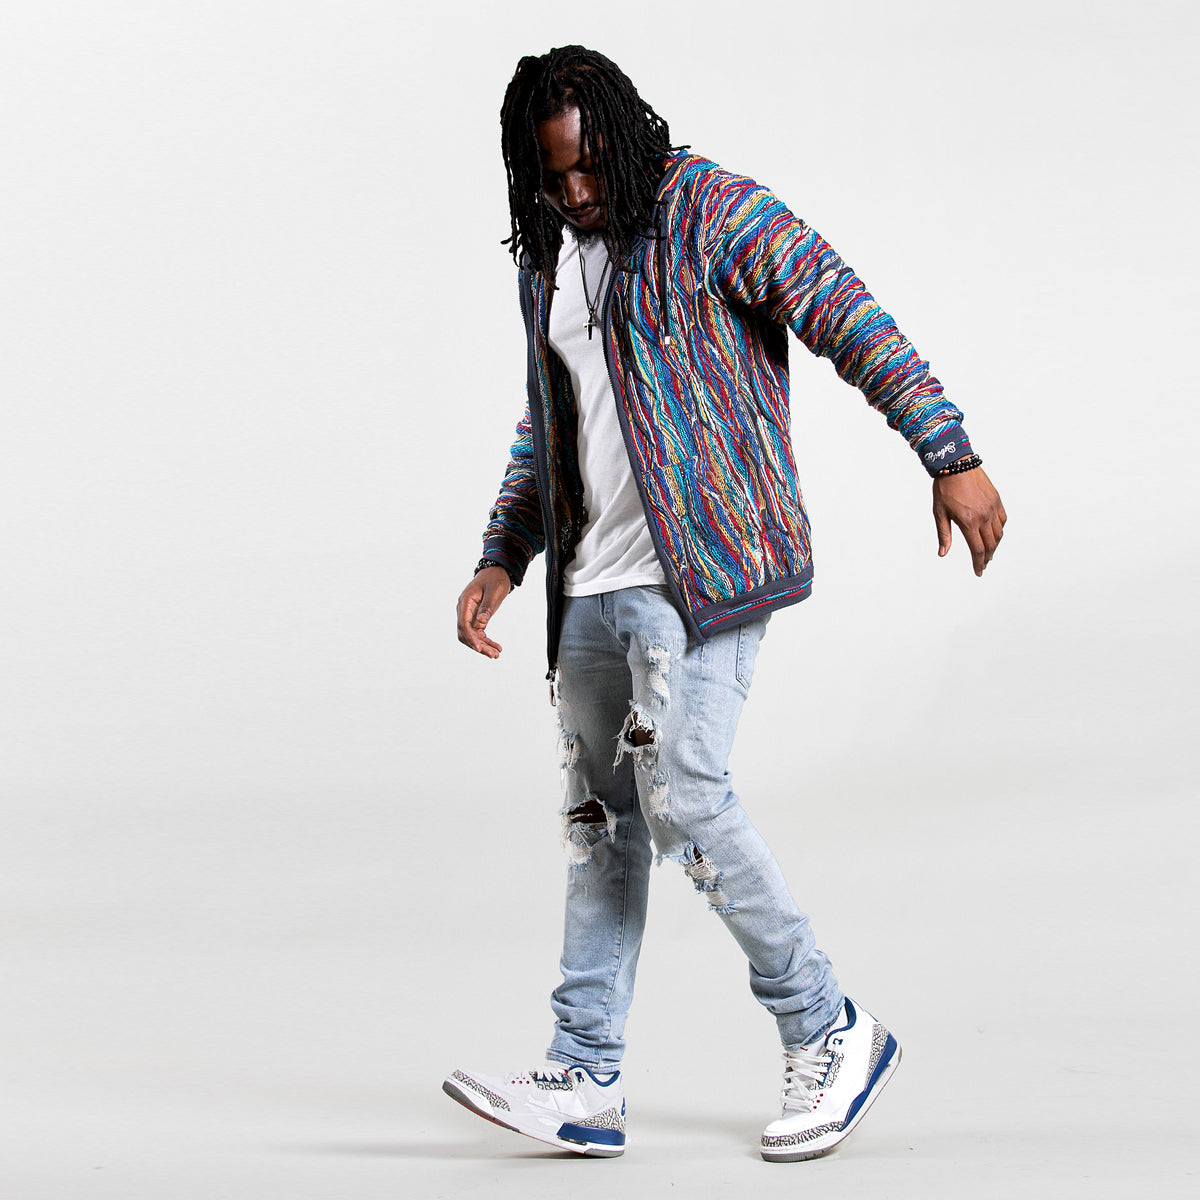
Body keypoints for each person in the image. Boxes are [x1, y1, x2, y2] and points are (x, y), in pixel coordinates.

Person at [443, 45, 1006, 1163]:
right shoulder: (550, 255)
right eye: (553, 176)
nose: (576, 191)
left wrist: (948, 451)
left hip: (702, 570)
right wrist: (504, 554)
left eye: (589, 166)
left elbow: (845, 311)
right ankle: (583, 1075)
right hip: (590, 583)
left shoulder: (712, 210)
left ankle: (829, 1025)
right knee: (601, 824)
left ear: (622, 137)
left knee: (685, 794)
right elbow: (549, 419)